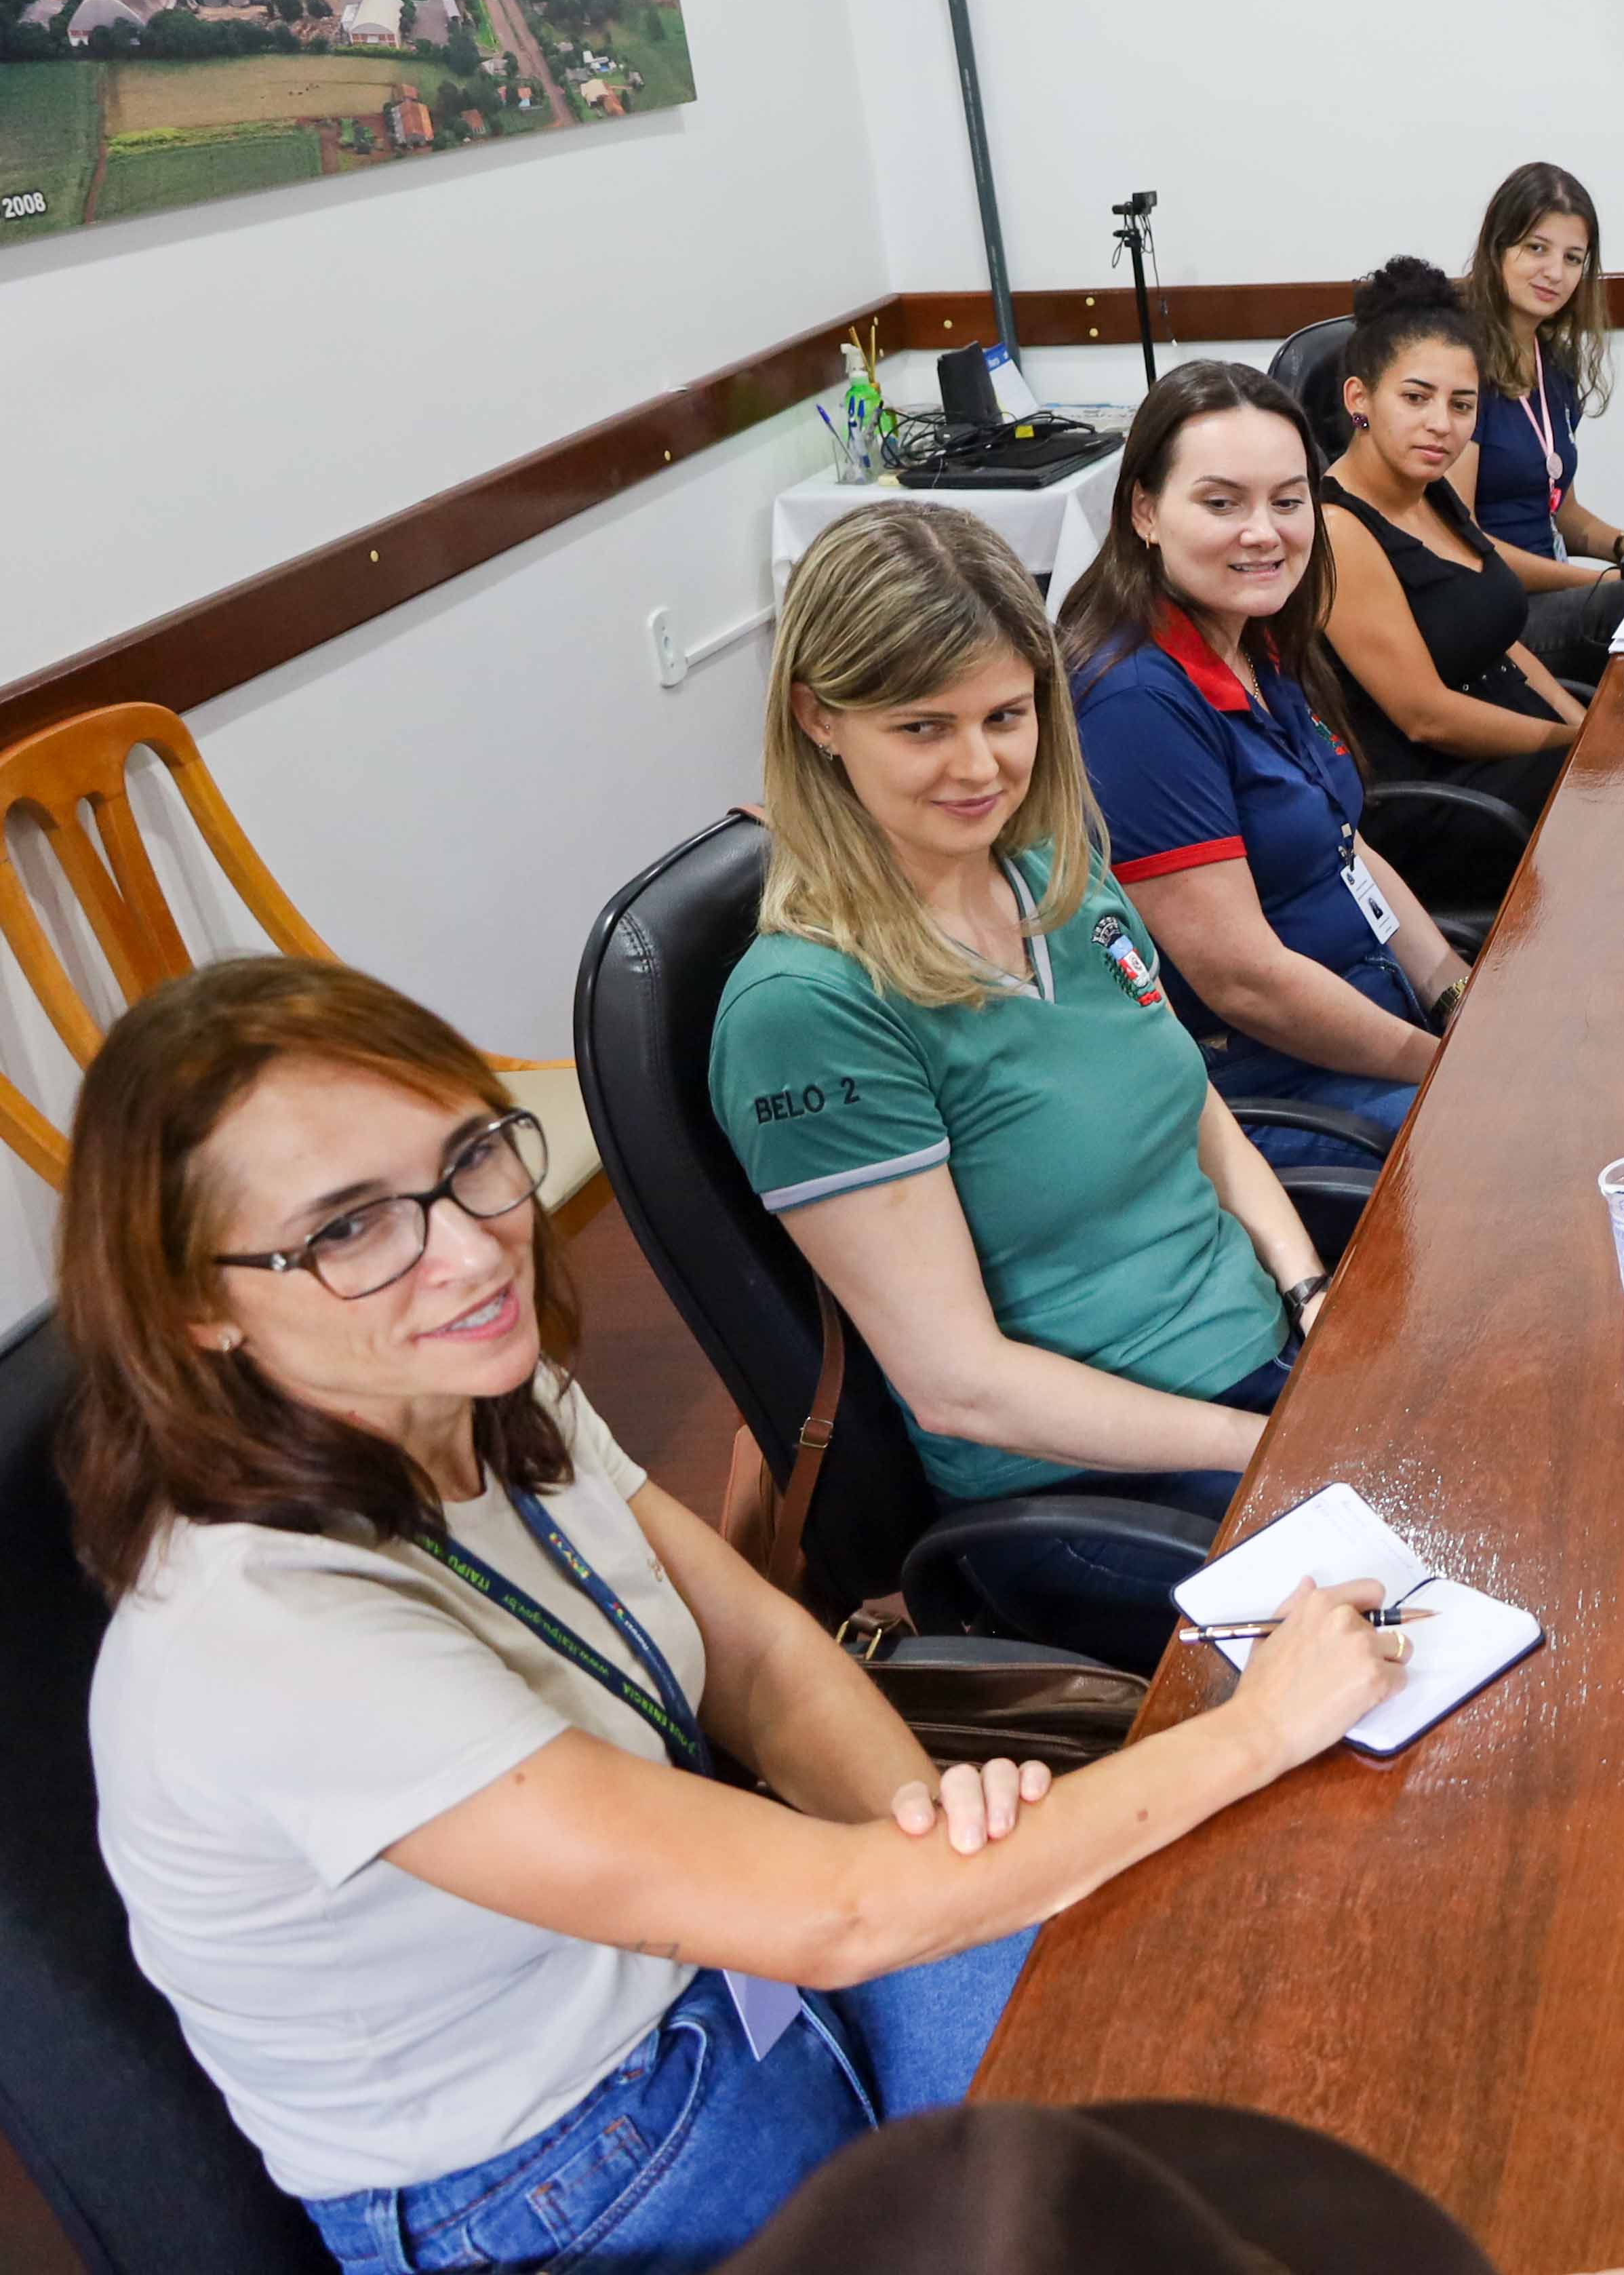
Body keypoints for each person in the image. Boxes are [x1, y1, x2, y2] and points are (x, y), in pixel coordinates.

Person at [68, 957, 1406, 2265]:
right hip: (573, 2176)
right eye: (352, 1229)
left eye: (471, 1155)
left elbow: (758, 1658)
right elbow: (837, 1918)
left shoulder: (483, 1399)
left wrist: (929, 1838)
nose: (474, 1250)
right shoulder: (267, 1640)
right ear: (195, 1305)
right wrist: (1257, 1729)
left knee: (1242, 2036)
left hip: (745, 1965)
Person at [716, 502, 1336, 1668]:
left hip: (1258, 1379)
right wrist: (1265, 1442)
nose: (980, 766)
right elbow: (961, 1387)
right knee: (1433, 1605)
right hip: (1087, 1489)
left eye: (1007, 716)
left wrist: (1309, 1293)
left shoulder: (1055, 875)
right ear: (818, 717)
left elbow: (1195, 1110)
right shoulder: (809, 1008)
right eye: (923, 727)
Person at [1061, 361, 1464, 1175]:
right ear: (1145, 511)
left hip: (1372, 1028)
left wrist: (1457, 996)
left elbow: (1343, 843)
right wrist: (1449, 1066)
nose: (1264, 532)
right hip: (1274, 1087)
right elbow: (1245, 982)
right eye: (1222, 503)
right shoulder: (1135, 702)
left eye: (1287, 500)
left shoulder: (1252, 636)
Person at [1316, 256, 1591, 840]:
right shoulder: (1337, 527)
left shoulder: (1434, 492)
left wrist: (1586, 725)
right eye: (1416, 399)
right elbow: (1425, 717)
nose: (1442, 424)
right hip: (1441, 792)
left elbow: (1501, 645)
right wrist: (1577, 745)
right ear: (1359, 398)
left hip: (1512, 752)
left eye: (1461, 405)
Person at [1461, 161, 1624, 686]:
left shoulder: (1553, 364)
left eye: (1572, 258)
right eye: (1536, 249)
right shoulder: (1460, 367)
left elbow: (1560, 510)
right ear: (1497, 249)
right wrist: (1592, 581)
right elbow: (1462, 542)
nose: (1555, 273)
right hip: (1494, 614)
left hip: (1552, 594)